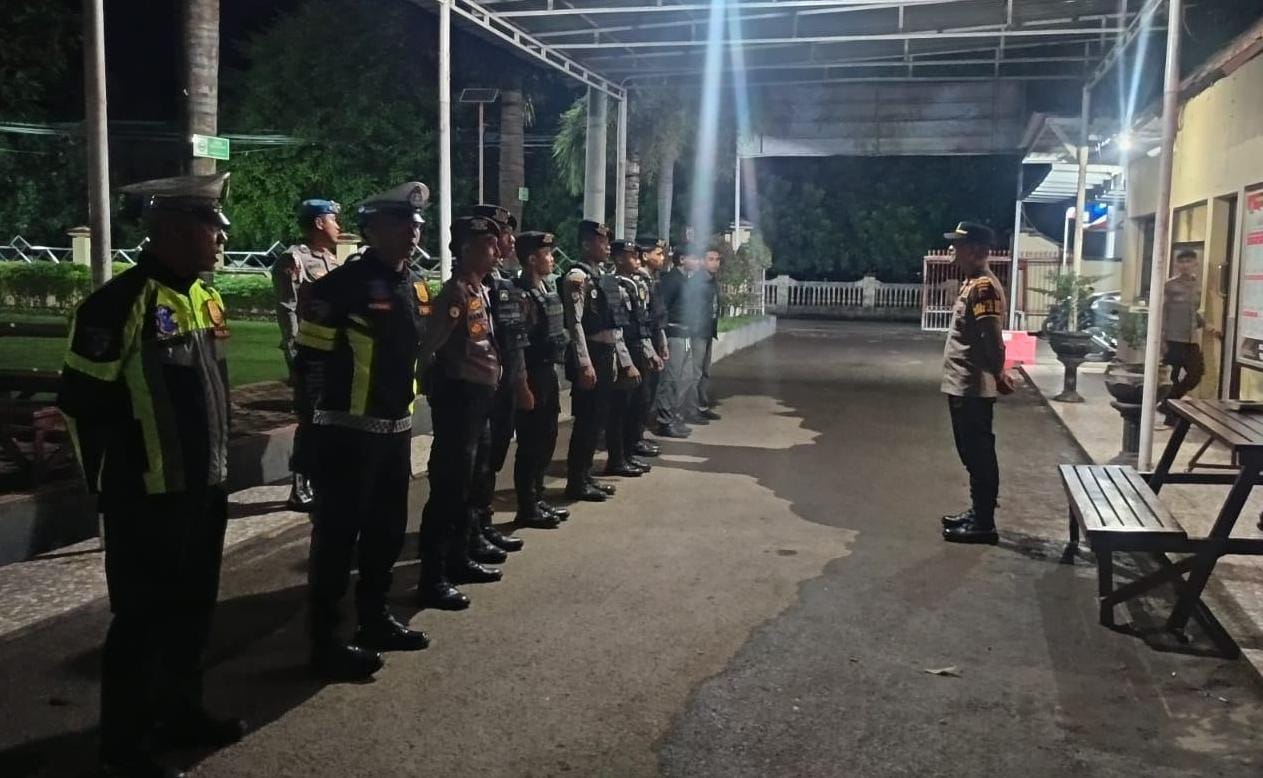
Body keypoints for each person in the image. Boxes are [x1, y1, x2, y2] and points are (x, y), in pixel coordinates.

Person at [58, 172, 245, 778]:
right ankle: (124, 746)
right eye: (211, 227)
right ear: (173, 230)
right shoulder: (118, 304)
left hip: (204, 485)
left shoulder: (204, 298)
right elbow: (82, 402)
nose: (220, 238)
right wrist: (117, 482)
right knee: (142, 622)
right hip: (148, 494)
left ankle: (180, 713)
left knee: (193, 610)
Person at [295, 181, 432, 682]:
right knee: (336, 542)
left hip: (395, 430)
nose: (412, 233)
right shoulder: (341, 287)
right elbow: (310, 363)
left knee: (386, 533)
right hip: (347, 433)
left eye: (416, 225)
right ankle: (326, 642)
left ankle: (374, 618)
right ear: (372, 230)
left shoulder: (412, 283)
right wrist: (311, 433)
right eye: (401, 224)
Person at [416, 215, 506, 610]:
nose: (497, 250)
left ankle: (460, 556)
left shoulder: (478, 289)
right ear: (467, 250)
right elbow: (429, 349)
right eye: (489, 245)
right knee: (450, 488)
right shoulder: (455, 293)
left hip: (479, 400)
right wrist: (433, 388)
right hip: (460, 401)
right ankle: (433, 577)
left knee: (471, 482)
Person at [938, 221, 1014, 545]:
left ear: (975, 250)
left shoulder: (983, 287)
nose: (952, 251)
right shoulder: (973, 284)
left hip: (972, 386)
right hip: (963, 384)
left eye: (958, 245)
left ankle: (984, 523)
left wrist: (998, 372)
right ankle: (977, 513)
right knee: (971, 453)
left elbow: (991, 338)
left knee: (978, 454)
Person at [467, 204, 530, 561]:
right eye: (503, 234)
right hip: (476, 391)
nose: (509, 240)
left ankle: (483, 522)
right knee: (474, 464)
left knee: (492, 459)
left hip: (502, 386)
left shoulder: (504, 286)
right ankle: (469, 532)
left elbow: (515, 339)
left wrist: (519, 382)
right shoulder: (468, 287)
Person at [272, 198, 344, 512]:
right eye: (333, 220)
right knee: (310, 418)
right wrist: (293, 349)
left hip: (333, 352)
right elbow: (287, 308)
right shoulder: (294, 259)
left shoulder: (332, 260)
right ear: (318, 223)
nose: (338, 226)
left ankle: (322, 478)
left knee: (330, 416)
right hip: (309, 353)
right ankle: (300, 487)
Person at [563, 220, 639, 501]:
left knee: (598, 420)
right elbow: (575, 325)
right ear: (586, 244)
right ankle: (576, 481)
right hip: (591, 354)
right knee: (586, 422)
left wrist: (622, 360)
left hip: (606, 355)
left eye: (607, 241)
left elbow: (614, 325)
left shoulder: (602, 277)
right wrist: (584, 363)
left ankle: (586, 476)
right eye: (601, 242)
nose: (607, 247)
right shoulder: (576, 277)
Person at [513, 231, 571, 528]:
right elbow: (519, 344)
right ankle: (527, 505)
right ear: (532, 259)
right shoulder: (520, 294)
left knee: (547, 437)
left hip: (548, 371)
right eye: (547, 254)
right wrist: (522, 384)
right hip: (533, 373)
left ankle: (537, 497)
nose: (552, 258)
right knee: (531, 442)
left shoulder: (546, 289)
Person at [608, 239, 658, 477]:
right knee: (620, 409)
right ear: (619, 259)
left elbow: (641, 322)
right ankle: (617, 459)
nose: (637, 260)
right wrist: (626, 362)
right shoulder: (613, 285)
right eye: (632, 256)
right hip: (624, 351)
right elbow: (617, 327)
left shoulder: (634, 284)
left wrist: (649, 351)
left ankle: (628, 454)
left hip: (637, 347)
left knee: (637, 405)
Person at [651, 249, 698, 439]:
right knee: (670, 380)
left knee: (686, 377)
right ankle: (664, 420)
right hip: (674, 335)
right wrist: (662, 335)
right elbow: (662, 309)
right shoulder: (672, 280)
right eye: (694, 257)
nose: (697, 261)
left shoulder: (685, 280)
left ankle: (674, 414)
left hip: (685, 335)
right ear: (682, 259)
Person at [1161, 249, 1206, 426]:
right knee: (1172, 377)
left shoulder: (1197, 286)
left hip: (1191, 338)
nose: (1186, 265)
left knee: (1196, 372)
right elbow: (1162, 311)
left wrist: (1206, 324)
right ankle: (1170, 417)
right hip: (1172, 338)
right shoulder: (1169, 286)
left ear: (1196, 263)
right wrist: (1162, 337)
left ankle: (1167, 405)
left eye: (1189, 261)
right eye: (1182, 261)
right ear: (1176, 265)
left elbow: (1193, 311)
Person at [687, 248, 723, 421]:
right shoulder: (697, 282)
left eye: (717, 259)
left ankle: (702, 406)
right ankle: (691, 409)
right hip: (698, 332)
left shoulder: (712, 281)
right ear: (702, 261)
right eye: (711, 259)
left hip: (708, 331)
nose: (715, 263)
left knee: (705, 372)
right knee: (696, 372)